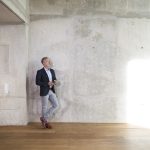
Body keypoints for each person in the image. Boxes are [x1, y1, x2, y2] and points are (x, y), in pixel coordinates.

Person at [36, 57, 59, 129]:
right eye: (46, 61)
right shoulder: (39, 71)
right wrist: (47, 83)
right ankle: (45, 122)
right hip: (44, 91)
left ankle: (44, 118)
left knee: (56, 105)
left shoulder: (52, 70)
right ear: (43, 63)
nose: (48, 62)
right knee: (44, 107)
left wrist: (56, 82)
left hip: (51, 90)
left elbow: (54, 79)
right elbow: (37, 82)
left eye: (48, 61)